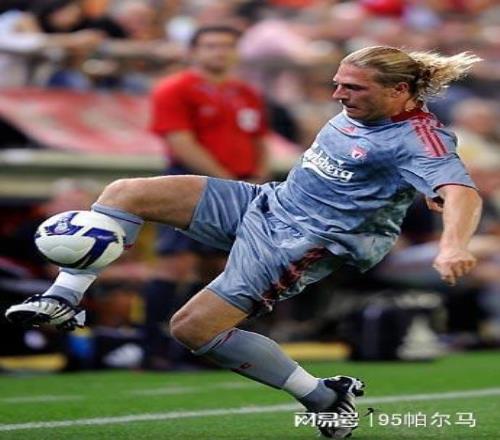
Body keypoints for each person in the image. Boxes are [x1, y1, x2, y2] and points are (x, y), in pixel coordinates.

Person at [6, 46, 483, 438]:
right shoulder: (360, 109)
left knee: (191, 329)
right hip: (267, 201)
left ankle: (325, 397)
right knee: (125, 193)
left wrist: (453, 245)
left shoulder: (420, 138)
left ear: (398, 91)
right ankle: (62, 299)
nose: (339, 94)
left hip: (303, 239)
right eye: (338, 83)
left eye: (353, 88)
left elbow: (462, 192)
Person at [144, 25, 270, 369]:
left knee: (220, 268)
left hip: (240, 186)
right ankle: (154, 349)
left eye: (227, 45)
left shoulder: (246, 92)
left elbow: (259, 139)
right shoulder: (174, 88)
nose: (220, 52)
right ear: (193, 51)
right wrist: (226, 180)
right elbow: (180, 142)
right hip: (191, 185)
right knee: (176, 264)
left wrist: (259, 176)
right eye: (211, 46)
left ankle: (202, 348)